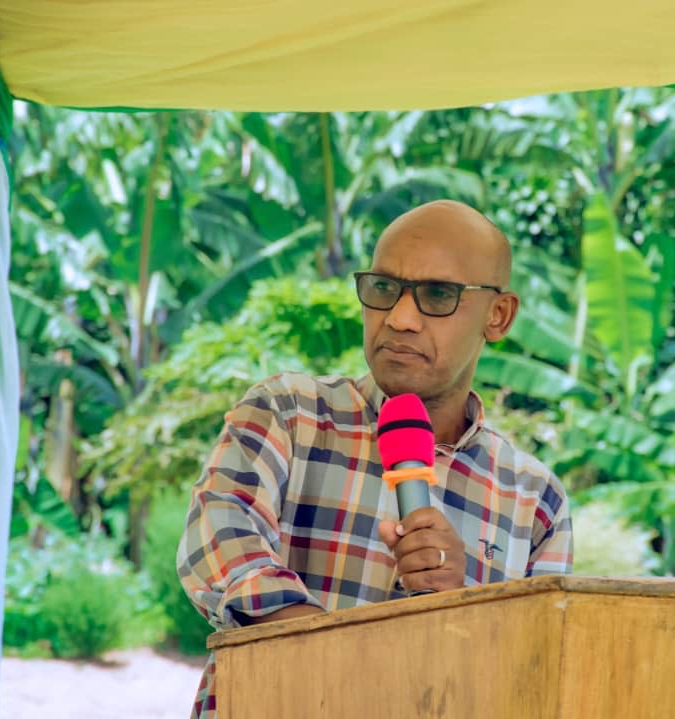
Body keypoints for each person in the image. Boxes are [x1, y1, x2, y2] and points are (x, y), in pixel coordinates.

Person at [176, 199, 573, 718]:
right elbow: (219, 540)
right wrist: (339, 661)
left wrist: (460, 604)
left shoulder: (535, 500)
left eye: (438, 294)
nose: (400, 319)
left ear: (498, 316)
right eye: (384, 288)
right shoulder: (290, 412)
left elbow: (534, 676)